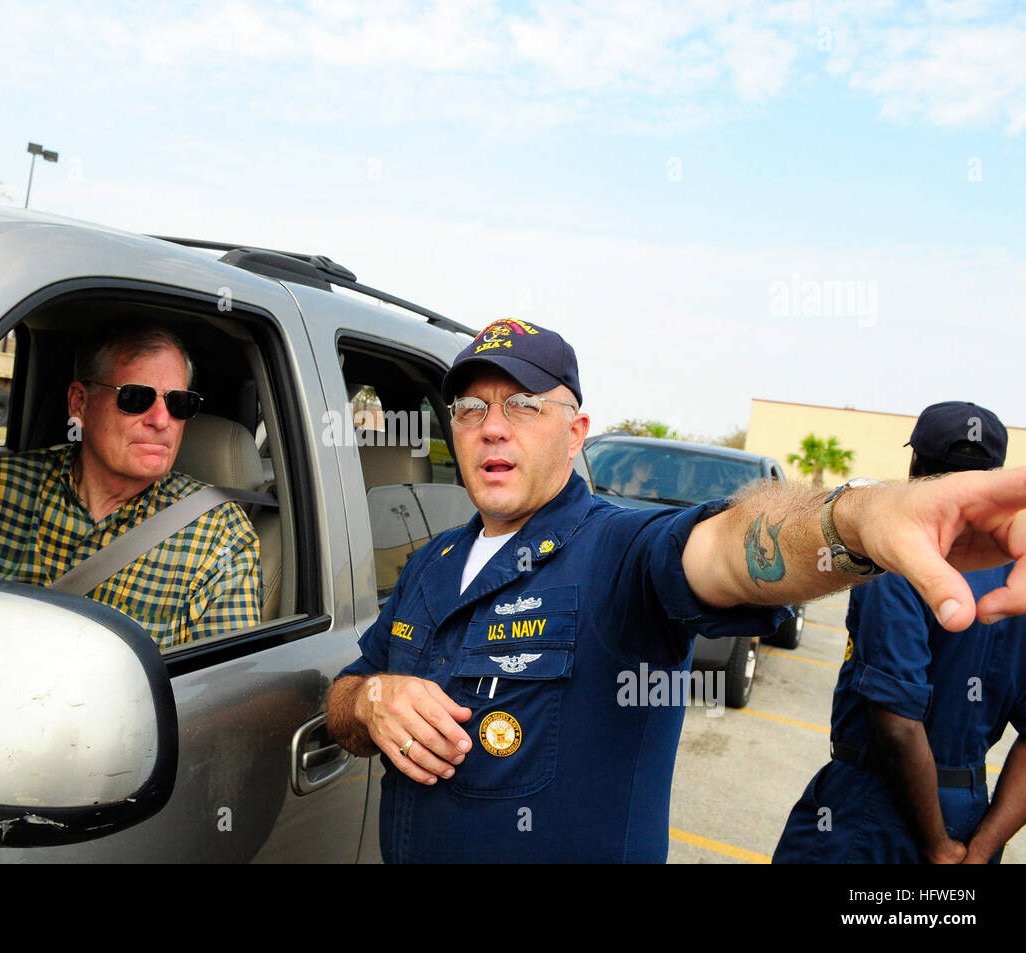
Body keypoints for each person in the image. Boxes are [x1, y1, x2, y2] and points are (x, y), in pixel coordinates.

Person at [325, 319, 1026, 863]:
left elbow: (728, 547)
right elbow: (347, 695)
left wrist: (854, 519)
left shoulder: (617, 551)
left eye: (524, 404)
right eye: (471, 408)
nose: (494, 425)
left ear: (576, 434)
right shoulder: (432, 562)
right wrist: (370, 698)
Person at [0, 321, 261, 650]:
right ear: (79, 404)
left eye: (179, 403)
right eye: (137, 398)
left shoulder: (218, 534)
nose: (161, 419)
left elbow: (220, 695)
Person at [773, 401, 1026, 864]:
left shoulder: (897, 557)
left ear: (916, 466)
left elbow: (898, 726)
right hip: (971, 810)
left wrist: (936, 847)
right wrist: (983, 847)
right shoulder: (1019, 570)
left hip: (875, 808)